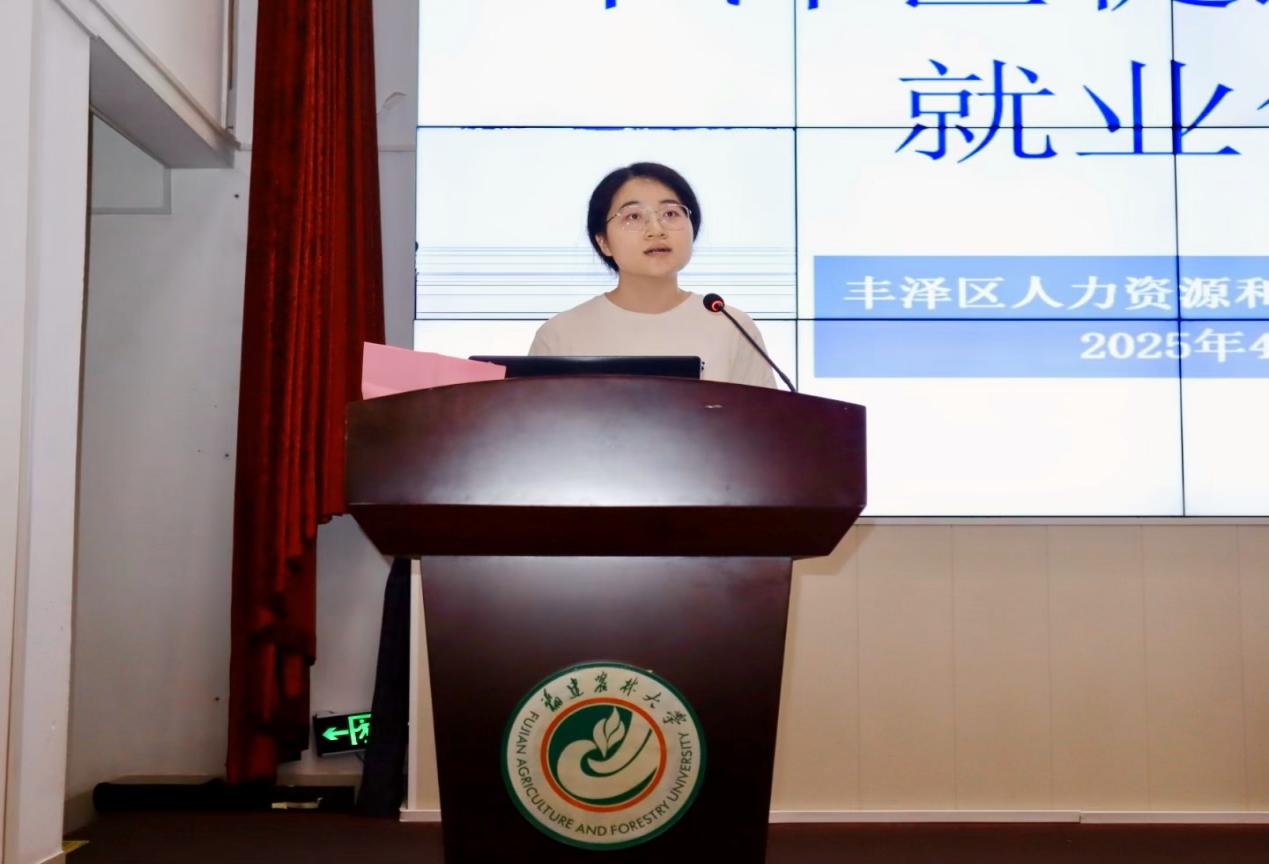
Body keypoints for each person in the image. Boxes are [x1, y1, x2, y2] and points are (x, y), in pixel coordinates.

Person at [528, 162, 776, 388]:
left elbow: (764, 420)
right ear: (603, 241)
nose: (656, 230)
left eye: (670, 214)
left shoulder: (731, 326)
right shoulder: (561, 335)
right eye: (633, 217)